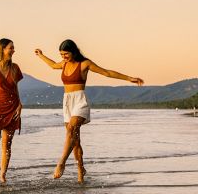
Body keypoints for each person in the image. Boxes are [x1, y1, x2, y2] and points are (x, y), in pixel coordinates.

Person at [34, 39, 144, 183]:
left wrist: (129, 78)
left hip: (80, 101)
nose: (63, 57)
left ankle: (61, 163)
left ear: (73, 51)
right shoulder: (63, 64)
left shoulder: (85, 63)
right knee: (75, 140)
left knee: (71, 129)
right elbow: (53, 65)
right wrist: (41, 55)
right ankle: (81, 170)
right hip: (67, 102)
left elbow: (106, 73)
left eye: (65, 54)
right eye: (61, 54)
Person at [0, 38, 24, 185]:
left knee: (7, 144)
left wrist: (20, 104)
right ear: (2, 49)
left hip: (12, 108)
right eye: (11, 48)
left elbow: (15, 88)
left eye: (13, 48)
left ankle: (2, 176)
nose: (13, 50)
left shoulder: (15, 68)